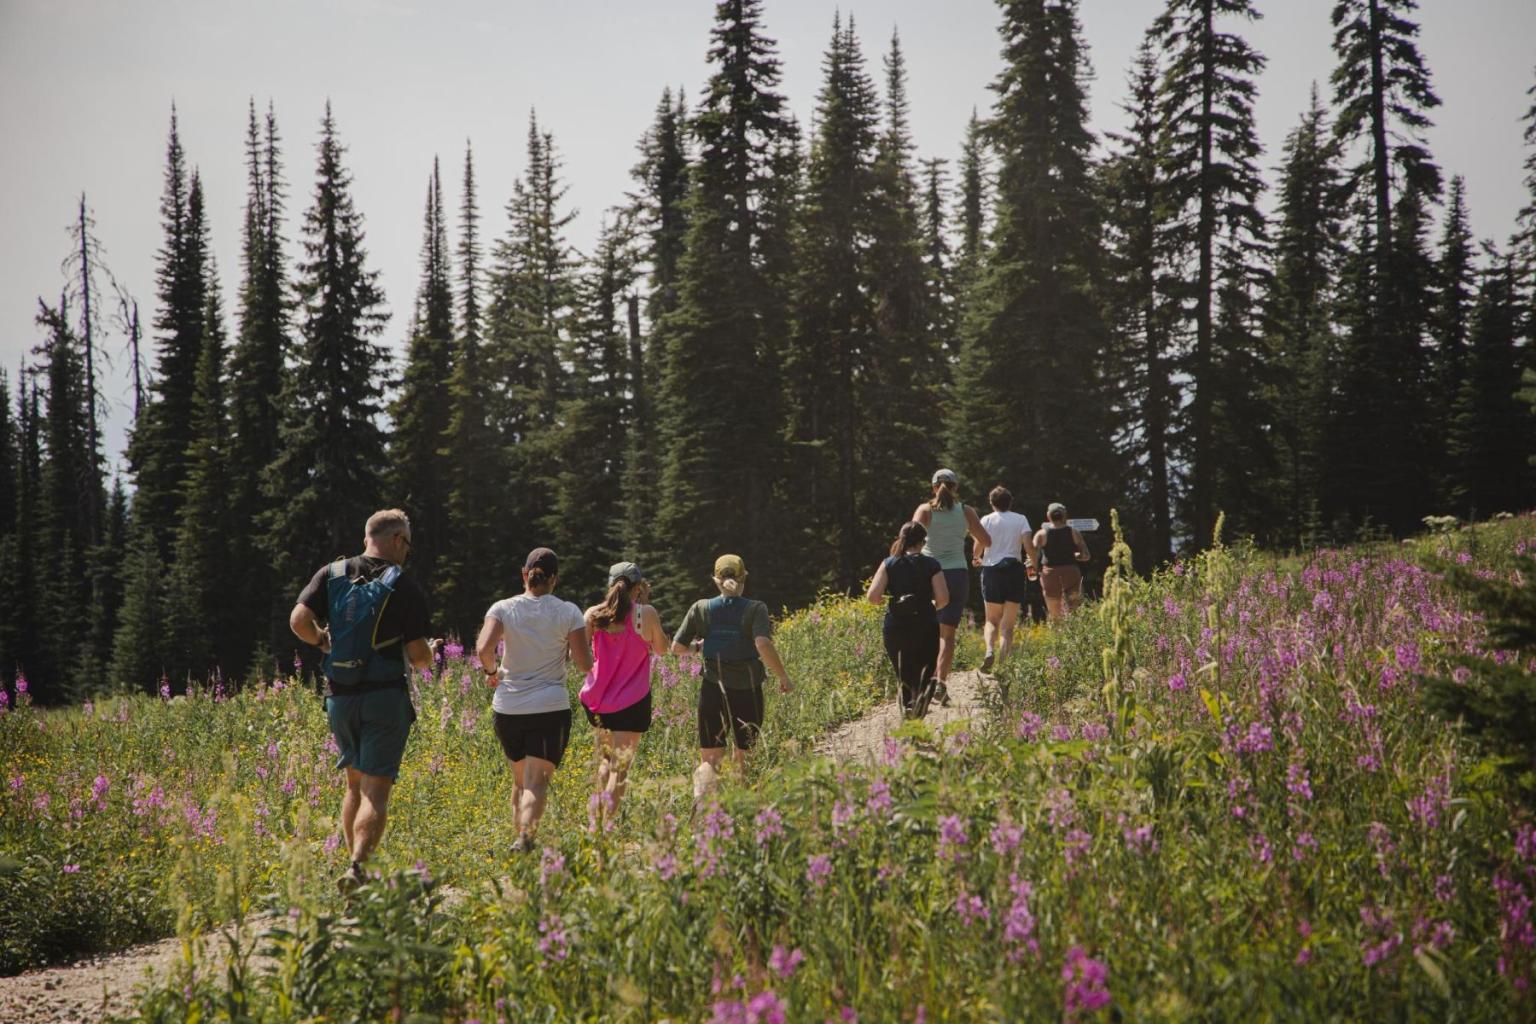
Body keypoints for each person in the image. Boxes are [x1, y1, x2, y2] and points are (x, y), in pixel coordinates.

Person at [289, 508, 442, 894]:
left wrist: (323, 640)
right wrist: (431, 654)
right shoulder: (402, 585)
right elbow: (420, 656)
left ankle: (353, 868)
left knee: (353, 786)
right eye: (407, 543)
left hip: (339, 697)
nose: (407, 552)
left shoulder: (332, 573)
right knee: (376, 789)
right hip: (384, 697)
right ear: (395, 540)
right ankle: (358, 869)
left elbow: (298, 621)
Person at [474, 547, 591, 852]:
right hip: (549, 707)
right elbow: (584, 664)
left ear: (524, 575)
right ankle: (525, 839)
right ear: (555, 579)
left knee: (520, 782)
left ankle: (520, 846)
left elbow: (484, 648)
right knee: (536, 783)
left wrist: (492, 671)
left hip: (508, 708)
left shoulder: (502, 608)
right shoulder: (568, 612)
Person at [671, 554, 793, 799]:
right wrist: (783, 677)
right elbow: (762, 644)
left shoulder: (701, 608)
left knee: (709, 761)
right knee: (744, 759)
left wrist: (700, 647)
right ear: (743, 578)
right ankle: (741, 813)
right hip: (748, 691)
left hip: (712, 691)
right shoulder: (755, 608)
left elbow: (677, 648)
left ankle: (703, 810)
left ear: (716, 580)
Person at [580, 561, 669, 828]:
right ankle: (606, 829)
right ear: (638, 588)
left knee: (604, 764)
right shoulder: (646, 614)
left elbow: (581, 658)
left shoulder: (593, 615)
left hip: (598, 702)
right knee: (620, 771)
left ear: (611, 585)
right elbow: (662, 649)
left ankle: (593, 825)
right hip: (632, 702)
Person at [910, 469, 990, 704]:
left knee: (925, 629)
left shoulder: (924, 511)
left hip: (928, 573)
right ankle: (940, 683)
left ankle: (920, 682)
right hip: (957, 574)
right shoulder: (965, 511)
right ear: (955, 488)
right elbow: (986, 540)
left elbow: (910, 538)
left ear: (934, 487)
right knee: (947, 634)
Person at [865, 521, 950, 718]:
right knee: (925, 673)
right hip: (925, 624)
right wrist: (927, 607)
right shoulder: (932, 564)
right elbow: (944, 598)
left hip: (896, 625)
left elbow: (873, 597)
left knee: (903, 673)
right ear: (923, 542)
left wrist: (894, 600)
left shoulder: (889, 563)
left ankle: (908, 710)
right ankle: (918, 714)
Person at [971, 486, 1037, 672]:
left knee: (991, 619)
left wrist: (976, 558)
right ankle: (1003, 664)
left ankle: (989, 650)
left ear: (991, 503)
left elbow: (978, 545)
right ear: (1011, 502)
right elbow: (1029, 546)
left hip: (991, 570)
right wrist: (1034, 564)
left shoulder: (986, 520)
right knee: (1007, 625)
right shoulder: (1020, 519)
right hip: (1014, 570)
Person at [1033, 502, 1092, 621]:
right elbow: (1086, 556)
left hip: (1050, 575)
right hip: (1071, 573)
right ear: (1064, 516)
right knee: (1075, 612)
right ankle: (1075, 637)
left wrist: (1036, 570)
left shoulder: (1041, 534)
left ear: (1048, 516)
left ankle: (1056, 636)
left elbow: (1032, 556)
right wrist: (1076, 555)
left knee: (1054, 615)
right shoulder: (1074, 532)